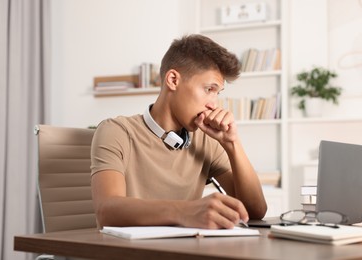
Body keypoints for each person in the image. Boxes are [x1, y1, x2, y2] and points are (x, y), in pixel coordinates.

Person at [90, 34, 267, 230]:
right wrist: (185, 211)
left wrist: (232, 144)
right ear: (173, 80)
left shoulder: (206, 141)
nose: (213, 104)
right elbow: (106, 211)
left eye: (218, 93)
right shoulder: (117, 132)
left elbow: (255, 211)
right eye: (209, 89)